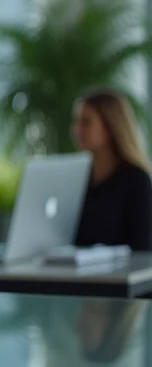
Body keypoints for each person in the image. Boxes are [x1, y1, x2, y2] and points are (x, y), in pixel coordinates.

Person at [70, 87, 152, 250]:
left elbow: (143, 249)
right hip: (72, 266)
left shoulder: (136, 181)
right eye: (76, 121)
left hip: (122, 267)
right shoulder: (76, 179)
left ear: (109, 128)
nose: (76, 129)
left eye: (86, 122)